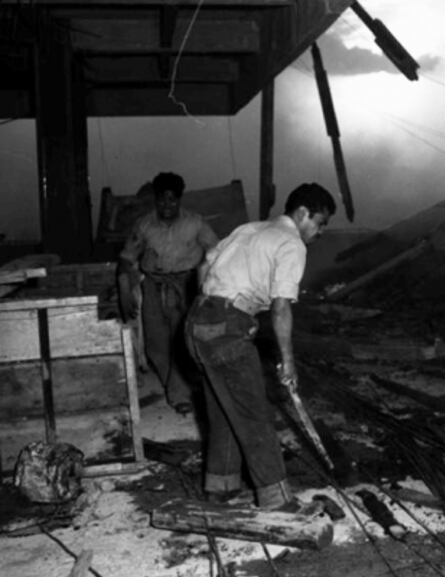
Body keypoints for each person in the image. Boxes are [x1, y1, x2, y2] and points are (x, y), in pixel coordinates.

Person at [185, 182, 335, 510]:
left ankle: (220, 487)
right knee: (254, 414)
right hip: (227, 327)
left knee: (225, 407)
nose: (320, 231)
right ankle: (277, 502)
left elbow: (205, 263)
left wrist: (213, 303)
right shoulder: (291, 243)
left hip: (197, 321)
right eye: (320, 222)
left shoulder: (249, 228)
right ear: (301, 213)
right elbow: (281, 307)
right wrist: (288, 361)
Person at [118, 172, 219, 415]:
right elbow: (126, 258)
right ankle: (176, 383)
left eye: (172, 200)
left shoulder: (195, 223)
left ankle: (178, 393)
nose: (167, 205)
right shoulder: (144, 224)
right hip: (152, 285)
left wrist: (209, 287)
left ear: (179, 200)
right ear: (155, 199)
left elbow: (217, 252)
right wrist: (124, 289)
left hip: (186, 285)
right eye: (162, 200)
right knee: (155, 344)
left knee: (181, 340)